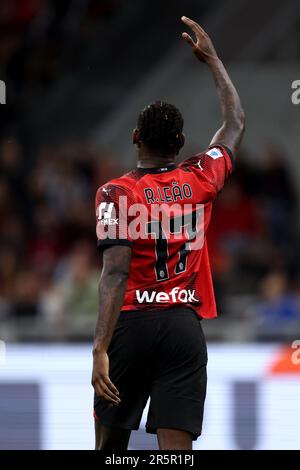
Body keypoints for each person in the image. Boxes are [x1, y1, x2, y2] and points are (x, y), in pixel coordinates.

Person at [92, 16, 245, 450]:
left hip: (129, 326)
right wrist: (213, 60)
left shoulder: (114, 192)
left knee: (110, 450)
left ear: (136, 137)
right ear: (180, 143)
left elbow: (115, 272)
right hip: (182, 326)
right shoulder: (203, 177)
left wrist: (100, 348)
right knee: (176, 454)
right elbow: (234, 123)